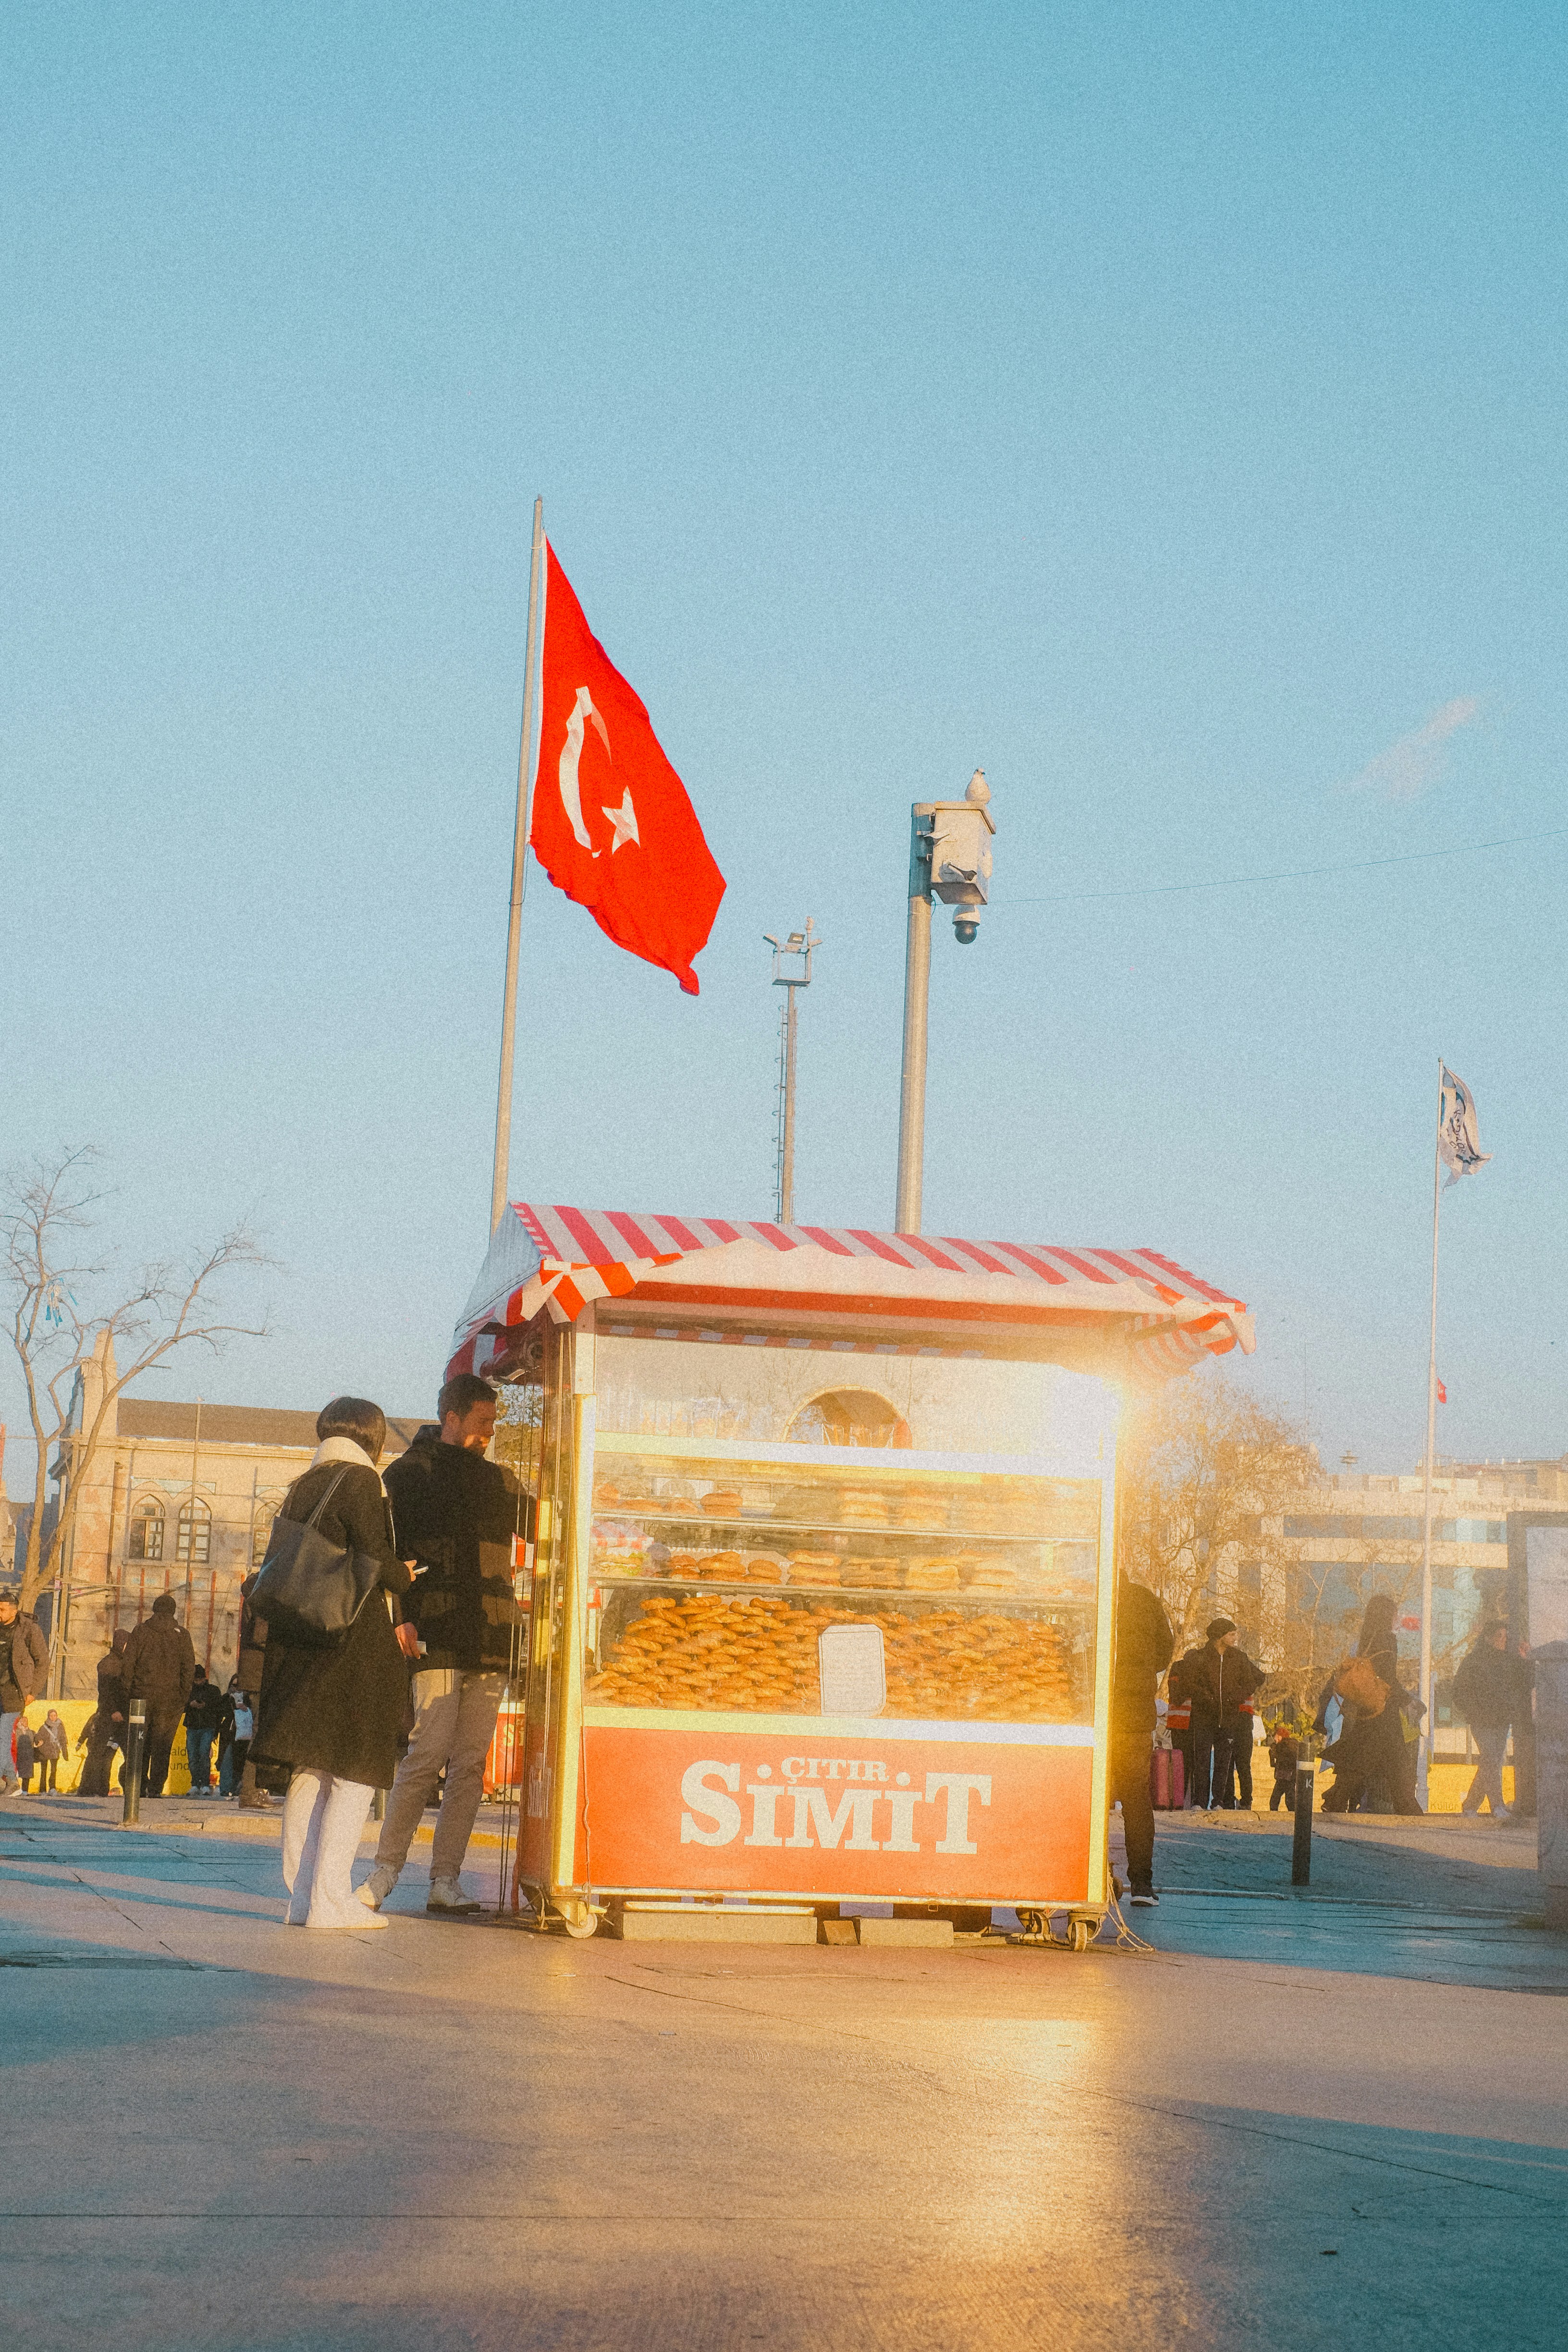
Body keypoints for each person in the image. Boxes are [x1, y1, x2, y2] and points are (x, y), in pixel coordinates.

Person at [360, 1373, 530, 1917]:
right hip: (433, 1630)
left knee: (470, 1763)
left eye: (493, 1425)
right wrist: (399, 1617)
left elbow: (543, 1523)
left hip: (490, 1634)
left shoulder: (499, 1480)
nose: (489, 1434)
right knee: (428, 1751)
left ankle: (445, 1879)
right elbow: (389, 1552)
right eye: (483, 1423)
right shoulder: (407, 1476)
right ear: (452, 1418)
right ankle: (386, 1868)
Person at [249, 1396, 415, 1931]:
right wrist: (405, 1574)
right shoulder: (362, 1481)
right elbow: (374, 1559)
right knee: (355, 1770)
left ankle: (300, 1899)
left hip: (301, 1642)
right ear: (374, 1437)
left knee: (310, 1768)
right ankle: (329, 1899)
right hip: (351, 1645)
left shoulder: (306, 1482)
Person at [1108, 1569, 1175, 1906]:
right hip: (1134, 1716)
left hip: (1094, 1713)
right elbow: (1166, 1650)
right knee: (1136, 1800)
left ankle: (1091, 1876)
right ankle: (1142, 1886)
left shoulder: (1090, 1591)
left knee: (1090, 1798)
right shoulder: (1145, 1598)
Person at [119, 1594, 197, 1797]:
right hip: (170, 1701)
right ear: (173, 1611)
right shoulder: (182, 1635)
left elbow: (128, 1664)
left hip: (141, 1697)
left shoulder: (141, 1631)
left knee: (139, 1743)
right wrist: (183, 1696)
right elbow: (188, 1669)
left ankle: (137, 1788)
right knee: (162, 1746)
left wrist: (131, 1693)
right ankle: (155, 1789)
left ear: (154, 1609)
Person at [1184, 1617, 1262, 1810]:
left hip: (1229, 1719)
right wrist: (1205, 1698)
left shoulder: (1239, 1658)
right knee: (1201, 1761)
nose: (1235, 1638)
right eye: (1232, 1634)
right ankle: (1199, 1802)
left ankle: (1218, 1801)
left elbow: (1252, 1682)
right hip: (1204, 1718)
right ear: (1220, 1636)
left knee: (1223, 1763)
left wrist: (1236, 1697)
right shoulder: (1200, 1658)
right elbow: (1190, 1684)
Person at [1454, 1619, 1528, 1819]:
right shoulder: (1474, 1660)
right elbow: (1458, 1691)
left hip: (1501, 1719)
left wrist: (1524, 1658)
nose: (1502, 1640)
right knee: (1492, 1760)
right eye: (1499, 1636)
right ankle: (1497, 1806)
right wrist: (1473, 1711)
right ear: (1488, 1637)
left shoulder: (1509, 1660)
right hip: (1482, 1720)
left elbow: (1526, 1681)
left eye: (1505, 1636)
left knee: (1490, 1761)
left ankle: (1470, 1806)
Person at [0, 1592, 50, 1797]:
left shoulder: (29, 1629)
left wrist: (32, 1692)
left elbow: (43, 1662)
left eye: (2, 1609)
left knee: (3, 1736)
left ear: (14, 1610)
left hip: (15, 1692)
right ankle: (10, 1781)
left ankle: (12, 1782)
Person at [233, 1567, 271, 1808]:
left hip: (251, 1674)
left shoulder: (250, 1601)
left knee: (256, 1733)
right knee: (259, 1734)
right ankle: (250, 1792)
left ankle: (254, 1790)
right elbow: (262, 1635)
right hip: (260, 1674)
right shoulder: (261, 1602)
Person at [79, 1629, 129, 1797]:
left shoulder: (119, 1662)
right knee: (100, 1753)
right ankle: (90, 1788)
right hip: (113, 1715)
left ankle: (98, 1788)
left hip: (118, 1713)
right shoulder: (110, 1664)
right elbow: (107, 1691)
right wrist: (114, 1710)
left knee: (105, 1755)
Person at [183, 1662, 223, 1795]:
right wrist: (190, 1705)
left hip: (207, 1727)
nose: (198, 1682)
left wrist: (205, 1705)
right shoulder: (188, 1691)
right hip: (192, 1726)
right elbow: (182, 1706)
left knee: (204, 1756)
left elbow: (218, 1709)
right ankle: (195, 1784)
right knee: (193, 1757)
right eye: (196, 1680)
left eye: (200, 1679)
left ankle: (205, 1784)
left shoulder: (213, 1691)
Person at [217, 1678, 254, 1797]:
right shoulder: (226, 1698)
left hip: (243, 1735)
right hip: (229, 1734)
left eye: (238, 1686)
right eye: (233, 1685)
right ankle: (225, 1788)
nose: (235, 1688)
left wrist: (244, 1707)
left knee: (239, 1762)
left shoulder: (248, 1699)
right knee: (226, 1760)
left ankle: (235, 1787)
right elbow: (220, 1713)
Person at [1267, 1719, 1300, 1811]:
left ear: (1278, 1736)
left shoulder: (1281, 1746)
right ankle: (1293, 1815)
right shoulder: (1294, 1744)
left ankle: (1274, 1816)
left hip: (1283, 1776)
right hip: (1292, 1776)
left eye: (1276, 1737)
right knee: (1290, 1800)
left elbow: (1274, 1763)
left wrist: (1272, 1751)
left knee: (1274, 1800)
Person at [34, 1708, 69, 1793]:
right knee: (44, 1771)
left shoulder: (60, 1726)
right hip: (44, 1752)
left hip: (54, 1751)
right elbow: (38, 1737)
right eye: (51, 1716)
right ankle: (43, 1790)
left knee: (53, 1771)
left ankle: (52, 1788)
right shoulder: (44, 1727)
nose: (53, 1717)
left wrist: (65, 1753)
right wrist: (39, 1742)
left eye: (55, 1715)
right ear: (48, 1717)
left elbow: (63, 1739)